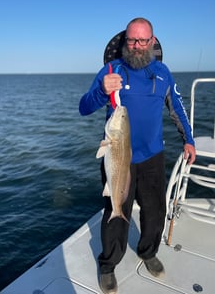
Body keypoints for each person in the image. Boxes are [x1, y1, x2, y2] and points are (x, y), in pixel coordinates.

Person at [79, 17, 196, 294]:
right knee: (115, 210)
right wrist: (100, 90)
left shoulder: (163, 72)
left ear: (152, 42)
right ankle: (108, 265)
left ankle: (148, 251)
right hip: (119, 158)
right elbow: (84, 107)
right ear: (124, 41)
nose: (137, 46)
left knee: (156, 211)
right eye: (132, 40)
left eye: (143, 40)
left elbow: (177, 108)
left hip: (153, 157)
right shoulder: (110, 70)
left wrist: (188, 140)